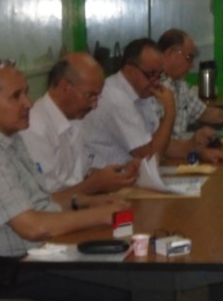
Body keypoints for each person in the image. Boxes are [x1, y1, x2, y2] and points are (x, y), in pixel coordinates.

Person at [0, 58, 133, 301]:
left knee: (128, 278)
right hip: (6, 270)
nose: (28, 103)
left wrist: (83, 203)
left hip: (34, 256)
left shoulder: (8, 139)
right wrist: (99, 217)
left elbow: (41, 202)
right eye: (16, 96)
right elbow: (31, 226)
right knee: (125, 294)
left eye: (26, 92)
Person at [83, 38, 218, 168]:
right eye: (151, 74)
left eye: (159, 75)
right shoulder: (115, 97)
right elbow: (150, 157)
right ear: (129, 69)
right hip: (104, 178)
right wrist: (170, 111)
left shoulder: (141, 93)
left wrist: (197, 151)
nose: (157, 82)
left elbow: (160, 143)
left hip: (127, 175)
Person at [20, 53, 140, 196]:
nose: (95, 105)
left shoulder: (75, 117)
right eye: (90, 96)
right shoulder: (35, 127)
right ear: (65, 86)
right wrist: (96, 184)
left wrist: (121, 173)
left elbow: (80, 175)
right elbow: (45, 200)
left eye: (98, 97)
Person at [157, 28, 223, 137]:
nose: (192, 65)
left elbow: (203, 112)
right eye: (189, 58)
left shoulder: (180, 85)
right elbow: (157, 141)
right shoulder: (154, 86)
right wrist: (192, 144)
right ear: (171, 53)